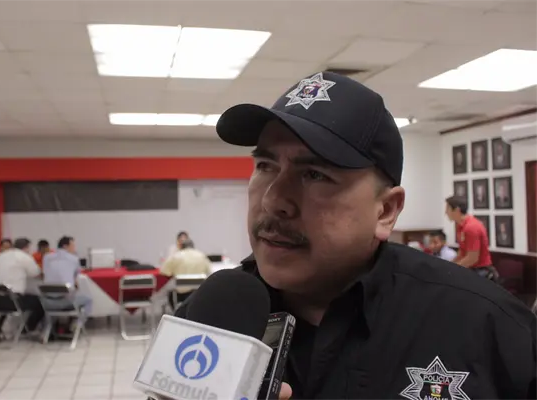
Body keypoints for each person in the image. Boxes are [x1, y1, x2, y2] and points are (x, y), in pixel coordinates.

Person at [175, 72, 537, 399]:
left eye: (314, 174)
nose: (272, 201)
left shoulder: (490, 327)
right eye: (265, 166)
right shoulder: (208, 316)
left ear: (386, 211)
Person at [0, 237, 44, 339]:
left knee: (6, 301)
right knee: (40, 303)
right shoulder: (24, 257)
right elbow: (35, 273)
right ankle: (28, 328)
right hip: (14, 301)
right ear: (26, 247)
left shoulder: (0, 257)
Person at [43, 236, 92, 323]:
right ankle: (78, 324)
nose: (74, 248)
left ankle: (49, 326)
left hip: (47, 302)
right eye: (72, 246)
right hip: (66, 301)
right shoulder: (74, 259)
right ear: (65, 246)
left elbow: (45, 272)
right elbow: (76, 277)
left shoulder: (46, 258)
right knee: (88, 300)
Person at [445, 196, 496, 279]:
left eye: (448, 209)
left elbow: (472, 258)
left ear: (457, 210)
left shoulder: (471, 227)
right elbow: (462, 252)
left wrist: (452, 269)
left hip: (481, 271)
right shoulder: (460, 226)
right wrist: (448, 265)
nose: (445, 213)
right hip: (471, 269)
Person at [160, 239, 211, 310]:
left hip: (180, 295)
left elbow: (164, 272)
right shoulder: (202, 255)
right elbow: (209, 271)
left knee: (170, 293)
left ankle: (176, 313)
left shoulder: (175, 256)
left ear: (181, 247)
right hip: (198, 293)